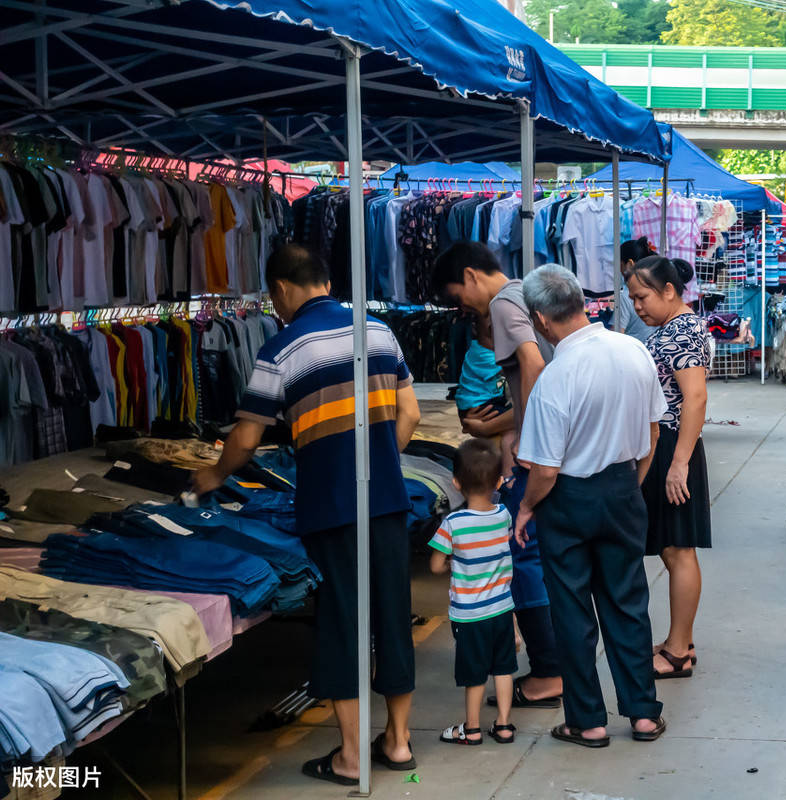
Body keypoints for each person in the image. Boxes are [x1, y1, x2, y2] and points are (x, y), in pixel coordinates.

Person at [191, 243, 421, 784]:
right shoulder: (380, 332)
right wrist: (378, 462)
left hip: (330, 508)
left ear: (282, 290)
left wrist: (214, 476)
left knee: (343, 622)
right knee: (391, 615)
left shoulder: (282, 350)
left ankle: (349, 757)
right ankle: (400, 742)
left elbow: (247, 438)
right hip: (387, 500)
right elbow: (408, 413)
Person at [513, 264, 668, 748]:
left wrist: (525, 510)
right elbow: (653, 430)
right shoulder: (633, 350)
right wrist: (630, 482)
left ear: (540, 319)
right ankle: (643, 713)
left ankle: (588, 720)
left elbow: (544, 470)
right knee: (628, 603)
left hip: (569, 500)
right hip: (623, 489)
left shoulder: (556, 376)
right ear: (581, 300)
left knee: (573, 612)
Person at [431, 241, 563, 709]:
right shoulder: (523, 295)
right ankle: (552, 666)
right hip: (548, 448)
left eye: (455, 295)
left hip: (538, 452)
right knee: (538, 558)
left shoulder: (506, 301)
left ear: (470, 276)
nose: (460, 306)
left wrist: (527, 437)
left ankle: (549, 672)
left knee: (523, 558)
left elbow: (534, 366)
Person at [626, 255, 711, 680]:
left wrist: (678, 463)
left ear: (668, 291)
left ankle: (678, 651)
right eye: (633, 299)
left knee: (678, 549)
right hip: (668, 447)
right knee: (671, 546)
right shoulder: (674, 328)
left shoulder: (682, 329)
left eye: (642, 297)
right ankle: (681, 640)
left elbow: (694, 398)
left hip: (674, 447)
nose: (637, 306)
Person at [428, 438, 518, 746]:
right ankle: (504, 725)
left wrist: (456, 561)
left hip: (469, 615)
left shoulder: (453, 523)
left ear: (455, 483)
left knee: (475, 674)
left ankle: (473, 728)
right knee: (504, 668)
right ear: (497, 481)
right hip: (503, 608)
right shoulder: (504, 515)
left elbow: (436, 565)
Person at [456, 315, 516, 475]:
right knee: (511, 431)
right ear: (477, 331)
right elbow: (512, 370)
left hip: (480, 401)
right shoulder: (482, 354)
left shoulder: (482, 350)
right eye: (492, 336)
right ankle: (509, 477)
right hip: (479, 403)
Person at [617, 237, 658, 343]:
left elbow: (616, 336)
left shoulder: (626, 297)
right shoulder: (657, 291)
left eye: (620, 265)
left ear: (629, 264)